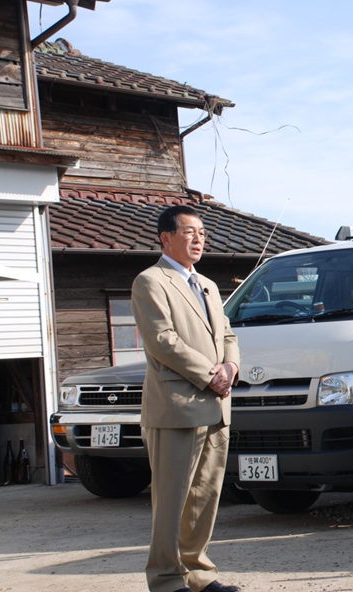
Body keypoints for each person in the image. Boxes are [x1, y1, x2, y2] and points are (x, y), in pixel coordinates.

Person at [131, 205, 242, 592]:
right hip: (175, 408)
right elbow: (163, 341)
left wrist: (230, 367)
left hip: (216, 406)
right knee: (172, 500)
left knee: (204, 497)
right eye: (189, 232)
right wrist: (209, 374)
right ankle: (165, 579)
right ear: (166, 238)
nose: (199, 239)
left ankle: (199, 574)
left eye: (202, 233)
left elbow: (227, 335)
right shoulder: (150, 282)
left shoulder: (208, 285)